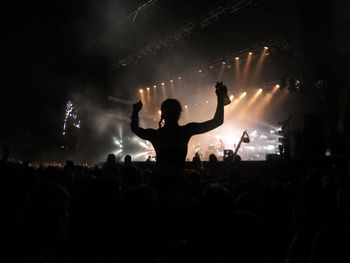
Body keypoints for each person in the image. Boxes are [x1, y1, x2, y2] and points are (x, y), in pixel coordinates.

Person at [130, 82, 227, 178]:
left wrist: (135, 112)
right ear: (179, 114)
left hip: (160, 184)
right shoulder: (186, 131)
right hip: (179, 182)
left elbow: (135, 128)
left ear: (162, 114)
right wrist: (220, 97)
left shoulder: (156, 135)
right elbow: (217, 121)